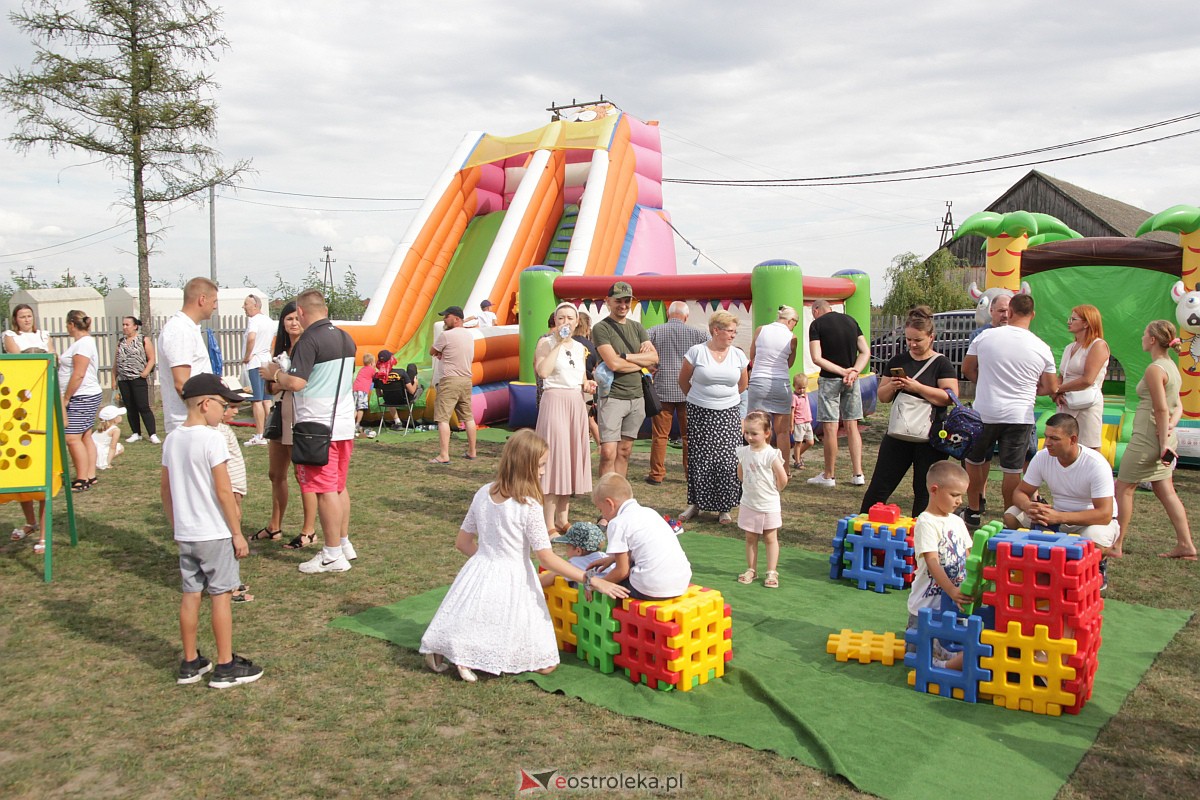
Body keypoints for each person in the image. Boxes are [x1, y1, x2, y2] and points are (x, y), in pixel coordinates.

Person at [420, 430, 627, 682]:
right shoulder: (528, 505)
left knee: (474, 614)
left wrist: (486, 562)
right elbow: (547, 558)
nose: (542, 471)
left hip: (480, 567)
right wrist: (590, 579)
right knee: (545, 661)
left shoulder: (483, 492)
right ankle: (469, 656)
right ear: (526, 465)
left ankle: (453, 651)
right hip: (515, 574)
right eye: (540, 465)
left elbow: (463, 542)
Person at [162, 373, 262, 689]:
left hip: (187, 534)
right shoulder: (213, 439)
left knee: (191, 594)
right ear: (206, 404)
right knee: (221, 595)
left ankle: (190, 661)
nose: (225, 411)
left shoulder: (172, 439)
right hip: (214, 533)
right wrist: (236, 532)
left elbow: (165, 490)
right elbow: (223, 490)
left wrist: (176, 525)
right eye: (222, 404)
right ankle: (225, 665)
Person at [261, 290, 358, 574]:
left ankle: (331, 554)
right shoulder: (345, 337)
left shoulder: (309, 340)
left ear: (302, 312)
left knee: (325, 490)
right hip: (342, 422)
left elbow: (297, 383)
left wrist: (274, 375)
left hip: (316, 425)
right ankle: (342, 542)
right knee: (338, 486)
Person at [961, 293, 1058, 527]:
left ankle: (973, 510)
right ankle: (1009, 515)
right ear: (1033, 315)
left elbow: (967, 369)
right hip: (1020, 416)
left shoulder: (985, 337)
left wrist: (985, 382)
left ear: (1010, 312)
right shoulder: (1041, 346)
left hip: (985, 411)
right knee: (1012, 469)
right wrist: (1030, 390)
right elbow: (1051, 386)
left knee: (974, 462)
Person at [859, 306, 958, 517]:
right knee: (879, 487)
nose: (912, 344)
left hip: (931, 439)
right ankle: (861, 531)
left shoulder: (942, 363)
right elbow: (883, 397)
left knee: (924, 493)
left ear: (931, 337)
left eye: (917, 340)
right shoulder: (898, 362)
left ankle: (922, 538)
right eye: (908, 339)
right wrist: (894, 385)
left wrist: (917, 388)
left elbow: (950, 396)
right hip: (898, 435)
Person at [1005, 414, 1120, 590]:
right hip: (1056, 515)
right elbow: (1020, 492)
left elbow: (1104, 514)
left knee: (1093, 540)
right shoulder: (1042, 457)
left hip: (1090, 521)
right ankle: (1027, 560)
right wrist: (1029, 506)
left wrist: (1059, 517)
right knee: (1011, 515)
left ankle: (1099, 563)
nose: (1047, 443)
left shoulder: (1096, 464)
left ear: (1073, 439)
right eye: (1046, 436)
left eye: (1054, 438)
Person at [1113, 321, 1195, 560]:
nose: (1141, 337)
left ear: (1152, 340)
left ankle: (1117, 544)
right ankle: (1186, 545)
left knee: (1123, 487)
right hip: (1161, 436)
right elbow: (1177, 406)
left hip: (1149, 439)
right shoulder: (1171, 366)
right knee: (1166, 490)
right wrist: (1170, 428)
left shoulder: (1155, 369)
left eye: (1144, 334)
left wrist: (1162, 444)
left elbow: (1160, 409)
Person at [254, 302, 318, 546]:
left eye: (296, 318)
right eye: (288, 319)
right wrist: (279, 379)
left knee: (302, 473)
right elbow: (270, 385)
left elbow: (299, 382)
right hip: (280, 412)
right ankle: (274, 526)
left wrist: (278, 378)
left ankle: (308, 530)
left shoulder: (309, 348)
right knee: (275, 473)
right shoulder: (279, 350)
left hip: (301, 413)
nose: (293, 323)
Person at [677, 310, 749, 524]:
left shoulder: (737, 355)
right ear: (715, 330)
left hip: (728, 412)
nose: (733, 335)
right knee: (700, 459)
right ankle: (696, 503)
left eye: (735, 331)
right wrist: (699, 399)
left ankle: (724, 507)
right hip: (700, 412)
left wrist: (725, 400)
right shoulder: (697, 352)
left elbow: (743, 384)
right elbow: (684, 381)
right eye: (730, 331)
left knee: (727, 460)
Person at [534, 302, 595, 533]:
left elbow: (579, 376)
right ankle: (547, 521)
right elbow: (543, 372)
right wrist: (558, 344)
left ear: (577, 321)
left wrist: (588, 384)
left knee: (569, 460)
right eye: (561, 318)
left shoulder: (580, 348)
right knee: (552, 460)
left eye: (570, 318)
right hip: (554, 401)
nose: (566, 322)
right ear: (555, 321)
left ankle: (562, 517)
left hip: (575, 403)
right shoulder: (545, 343)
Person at [905, 461, 972, 667]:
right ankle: (940, 664)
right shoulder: (926, 522)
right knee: (917, 654)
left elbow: (968, 556)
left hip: (954, 605)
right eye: (954, 495)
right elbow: (932, 560)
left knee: (960, 643)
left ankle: (947, 660)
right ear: (935, 490)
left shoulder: (957, 521)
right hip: (926, 607)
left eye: (962, 495)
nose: (960, 501)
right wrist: (951, 590)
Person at [589, 472, 692, 600]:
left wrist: (597, 585)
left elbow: (622, 571)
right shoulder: (650, 512)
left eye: (600, 510)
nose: (602, 515)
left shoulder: (617, 523)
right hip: (681, 582)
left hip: (651, 588)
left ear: (609, 503)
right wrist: (612, 558)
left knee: (612, 584)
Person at [592, 281, 659, 477]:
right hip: (612, 397)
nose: (623, 305)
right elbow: (613, 364)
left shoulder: (637, 327)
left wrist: (626, 357)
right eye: (618, 301)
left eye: (627, 301)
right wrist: (641, 362)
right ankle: (606, 496)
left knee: (625, 450)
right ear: (608, 302)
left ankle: (619, 496)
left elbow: (654, 358)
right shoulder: (601, 328)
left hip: (637, 397)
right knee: (607, 452)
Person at [807, 299, 870, 488]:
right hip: (852, 380)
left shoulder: (816, 325)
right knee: (852, 424)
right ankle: (858, 473)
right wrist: (854, 371)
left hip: (830, 380)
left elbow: (816, 357)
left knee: (830, 427)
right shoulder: (851, 321)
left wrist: (841, 371)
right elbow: (865, 351)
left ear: (816, 310)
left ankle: (829, 475)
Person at [645, 301, 708, 486]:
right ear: (686, 316)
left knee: (660, 435)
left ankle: (656, 474)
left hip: (662, 390)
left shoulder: (653, 332)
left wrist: (650, 367)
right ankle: (691, 474)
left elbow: (642, 353)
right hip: (689, 391)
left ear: (668, 313)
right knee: (690, 436)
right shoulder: (699, 334)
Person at [5, 304, 50, 547]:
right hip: (20, 406)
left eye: (29, 316)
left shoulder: (44, 335)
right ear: (15, 319)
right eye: (22, 316)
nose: (26, 319)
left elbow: (51, 360)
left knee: (43, 469)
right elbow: (19, 362)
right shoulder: (11, 337)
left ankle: (43, 532)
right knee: (22, 463)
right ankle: (30, 521)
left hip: (43, 403)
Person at [966, 291, 1011, 516]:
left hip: (1013, 409)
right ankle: (979, 498)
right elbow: (969, 368)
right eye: (1001, 310)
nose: (1005, 314)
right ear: (991, 311)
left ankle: (1013, 509)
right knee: (980, 454)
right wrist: (986, 384)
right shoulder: (980, 335)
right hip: (985, 406)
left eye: (1008, 310)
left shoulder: (1019, 334)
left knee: (1018, 457)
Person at [158, 277, 217, 435]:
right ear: (202, 299)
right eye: (214, 301)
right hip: (187, 421)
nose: (215, 307)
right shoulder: (179, 330)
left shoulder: (189, 328)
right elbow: (182, 383)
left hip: (197, 419)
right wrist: (206, 410)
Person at [736, 411, 788, 589]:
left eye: (754, 433)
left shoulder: (771, 454)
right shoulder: (744, 452)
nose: (749, 437)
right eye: (747, 432)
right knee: (750, 537)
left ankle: (772, 571)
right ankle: (751, 569)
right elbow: (740, 473)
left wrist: (776, 490)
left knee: (770, 538)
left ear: (767, 433)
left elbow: (782, 477)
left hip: (768, 504)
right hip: (749, 503)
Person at [1051, 305, 1110, 450]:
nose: (1069, 322)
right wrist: (1055, 393)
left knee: (1088, 447)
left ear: (1086, 323)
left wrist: (1058, 389)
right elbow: (1061, 375)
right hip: (1066, 402)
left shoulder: (1098, 345)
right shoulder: (1069, 347)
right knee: (1062, 446)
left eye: (1073, 319)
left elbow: (1088, 380)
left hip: (1087, 404)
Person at [748, 305, 800, 459]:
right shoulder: (792, 338)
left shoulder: (760, 330)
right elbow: (789, 363)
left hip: (759, 381)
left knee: (758, 428)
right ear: (790, 320)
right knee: (782, 432)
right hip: (780, 382)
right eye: (794, 323)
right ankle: (784, 469)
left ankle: (758, 464)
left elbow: (752, 355)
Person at [60, 309, 103, 494]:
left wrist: (66, 397)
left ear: (71, 324)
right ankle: (90, 474)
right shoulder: (83, 343)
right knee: (85, 435)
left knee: (71, 438)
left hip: (82, 396)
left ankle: (82, 477)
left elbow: (79, 374)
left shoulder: (82, 344)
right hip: (86, 394)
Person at [429, 306, 478, 464]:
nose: (444, 319)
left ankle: (444, 455)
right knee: (468, 417)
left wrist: (439, 353)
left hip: (450, 380)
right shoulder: (469, 335)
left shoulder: (446, 335)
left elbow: (432, 351)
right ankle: (472, 451)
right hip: (466, 379)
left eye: (446, 316)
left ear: (456, 319)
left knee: (442, 418)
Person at [113, 316, 159, 444]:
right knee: (130, 407)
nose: (124, 327)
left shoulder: (143, 340)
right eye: (123, 324)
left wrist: (145, 373)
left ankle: (152, 433)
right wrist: (114, 378)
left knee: (143, 406)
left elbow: (151, 358)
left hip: (138, 378)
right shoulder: (121, 342)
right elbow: (116, 362)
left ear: (135, 326)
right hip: (123, 379)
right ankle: (136, 432)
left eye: (127, 324)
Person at [240, 295, 276, 447]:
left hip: (255, 362)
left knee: (257, 400)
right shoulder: (269, 321)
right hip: (266, 361)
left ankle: (260, 434)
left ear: (255, 306)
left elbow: (251, 338)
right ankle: (270, 433)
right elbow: (274, 339)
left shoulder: (253, 321)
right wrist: (270, 354)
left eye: (246, 304)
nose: (244, 307)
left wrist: (247, 356)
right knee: (267, 399)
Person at [538, 521, 610, 588]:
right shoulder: (605, 557)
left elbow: (545, 580)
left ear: (578, 551)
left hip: (586, 597)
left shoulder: (574, 562)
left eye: (568, 547)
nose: (566, 552)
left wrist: (535, 578)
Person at [573, 310, 601, 445]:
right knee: (589, 418)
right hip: (587, 387)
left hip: (570, 386)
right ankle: (599, 443)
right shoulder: (591, 346)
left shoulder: (568, 343)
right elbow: (596, 366)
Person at [790, 374, 815, 470]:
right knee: (798, 442)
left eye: (803, 388)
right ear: (794, 386)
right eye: (799, 388)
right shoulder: (794, 397)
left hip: (807, 422)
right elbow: (792, 412)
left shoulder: (805, 396)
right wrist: (791, 424)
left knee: (810, 442)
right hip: (799, 422)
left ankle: (797, 454)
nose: (801, 390)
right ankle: (797, 461)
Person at [93, 405, 127, 470]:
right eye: (119, 415)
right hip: (99, 454)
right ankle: (104, 462)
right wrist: (108, 464)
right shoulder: (115, 430)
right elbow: (112, 447)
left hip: (91, 453)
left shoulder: (101, 428)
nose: (121, 416)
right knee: (120, 447)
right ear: (115, 419)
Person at [352, 352, 376, 436]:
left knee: (354, 407)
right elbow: (376, 377)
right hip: (362, 390)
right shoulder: (372, 370)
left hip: (355, 388)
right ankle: (357, 424)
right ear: (371, 363)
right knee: (361, 408)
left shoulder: (362, 369)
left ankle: (351, 423)